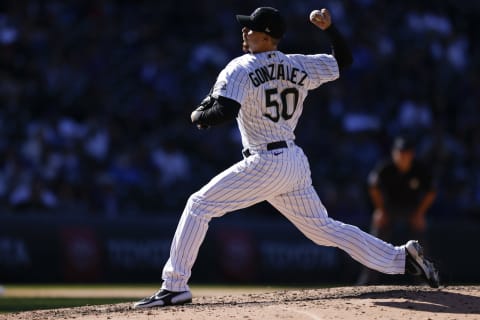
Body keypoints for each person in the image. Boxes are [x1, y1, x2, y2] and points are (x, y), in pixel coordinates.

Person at [133, 7, 440, 308]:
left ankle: (174, 287)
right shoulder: (299, 64)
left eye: (250, 27)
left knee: (199, 205)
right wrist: (330, 30)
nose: (245, 30)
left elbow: (223, 112)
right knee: (324, 230)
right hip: (292, 161)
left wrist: (197, 115)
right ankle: (402, 258)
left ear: (266, 36)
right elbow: (343, 61)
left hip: (266, 160)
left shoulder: (241, 66)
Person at [357, 135, 437, 285]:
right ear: (394, 153)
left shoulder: (420, 169)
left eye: (405, 152)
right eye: (399, 152)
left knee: (420, 233)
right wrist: (380, 210)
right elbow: (373, 188)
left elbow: (431, 192)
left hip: (412, 209)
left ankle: (424, 281)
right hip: (389, 208)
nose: (402, 156)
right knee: (376, 239)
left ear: (411, 154)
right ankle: (367, 281)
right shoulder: (386, 168)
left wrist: (419, 213)